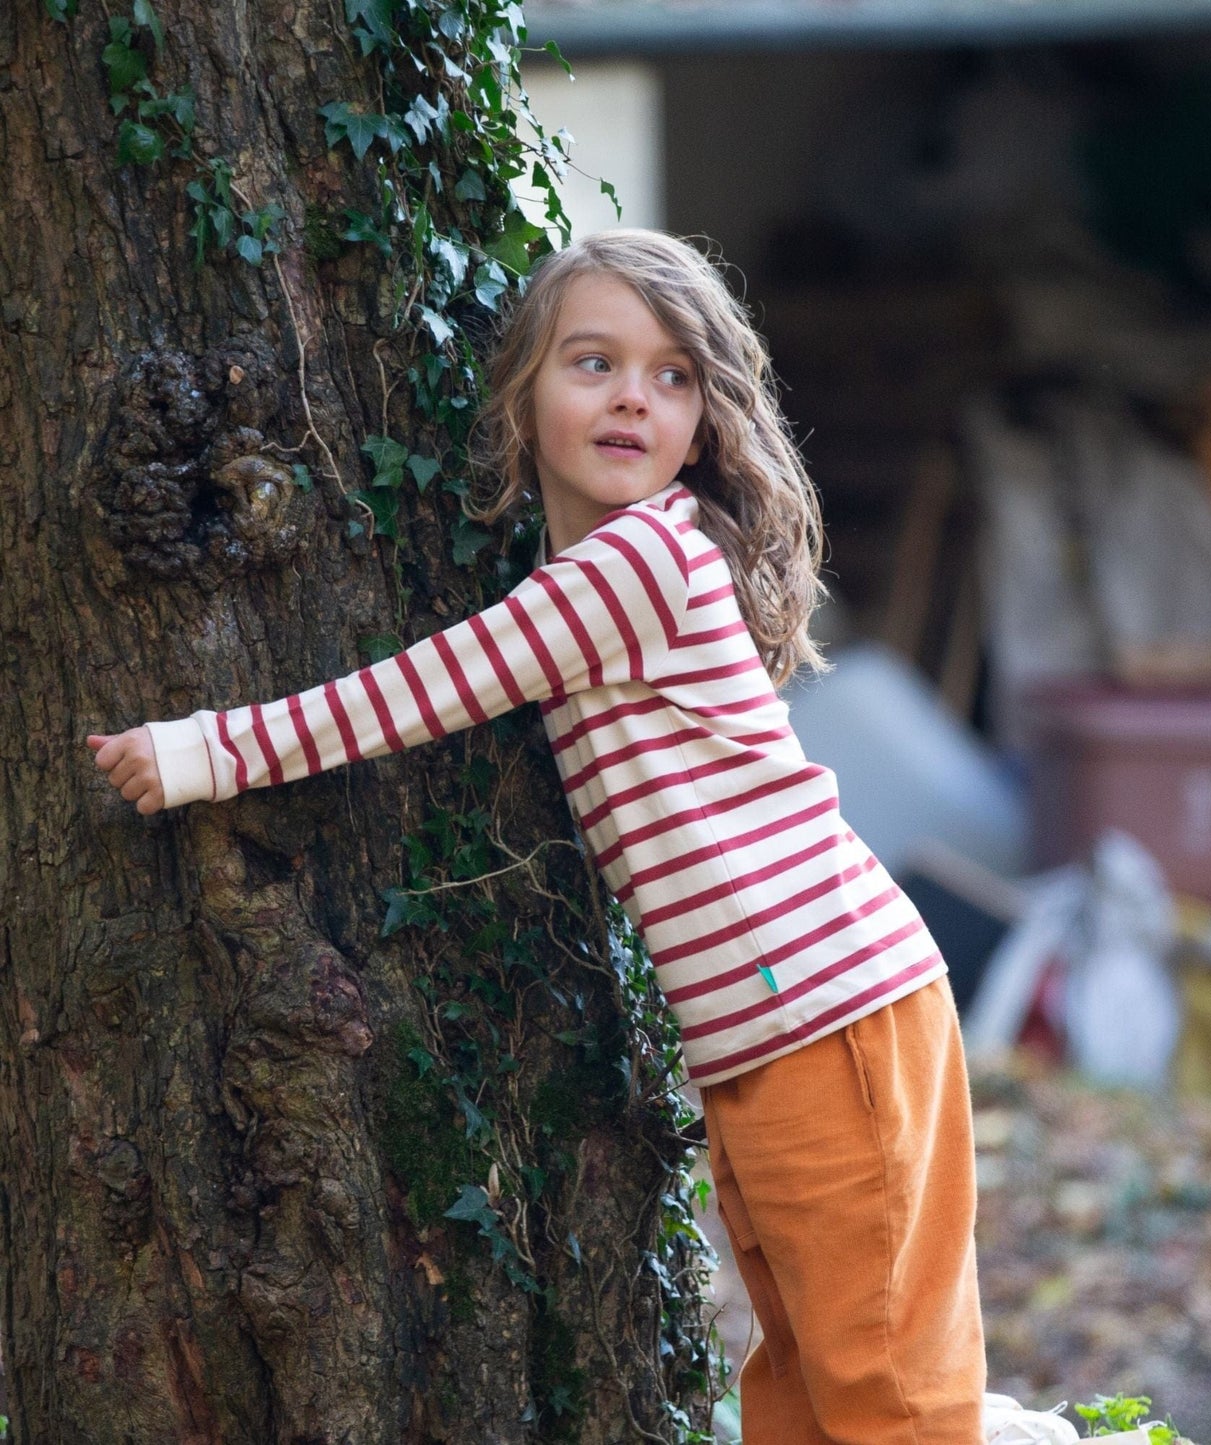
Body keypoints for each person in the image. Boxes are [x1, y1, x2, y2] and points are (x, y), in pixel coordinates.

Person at [88, 229, 986, 1444]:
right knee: (801, 1388)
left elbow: (419, 690)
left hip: (830, 1017)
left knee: (887, 1398)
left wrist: (204, 751)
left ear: (705, 417)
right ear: (520, 396)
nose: (633, 395)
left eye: (672, 375)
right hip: (771, 1035)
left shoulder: (642, 559)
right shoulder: (593, 569)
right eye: (594, 361)